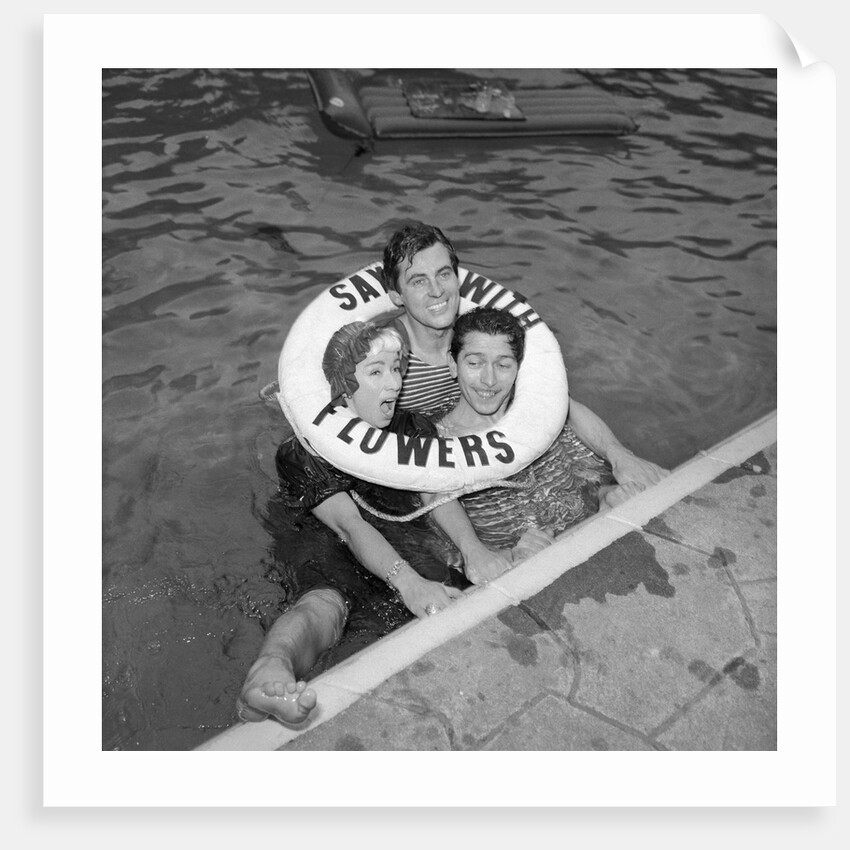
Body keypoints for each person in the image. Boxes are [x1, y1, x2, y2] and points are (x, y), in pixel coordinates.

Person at [237, 320, 538, 725]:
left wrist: (474, 552)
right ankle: (269, 672)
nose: (394, 383)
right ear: (344, 382)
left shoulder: (413, 429)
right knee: (326, 601)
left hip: (399, 534)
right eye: (376, 372)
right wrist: (409, 583)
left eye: (396, 368)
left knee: (460, 597)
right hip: (328, 539)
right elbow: (348, 525)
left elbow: (436, 493)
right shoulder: (302, 450)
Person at [424, 306, 648, 559]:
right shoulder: (437, 443)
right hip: (524, 559)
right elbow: (444, 542)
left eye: (503, 365)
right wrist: (510, 554)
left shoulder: (540, 413)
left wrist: (608, 494)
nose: (489, 379)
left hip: (594, 529)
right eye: (475, 363)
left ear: (519, 368)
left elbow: (587, 477)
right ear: (453, 365)